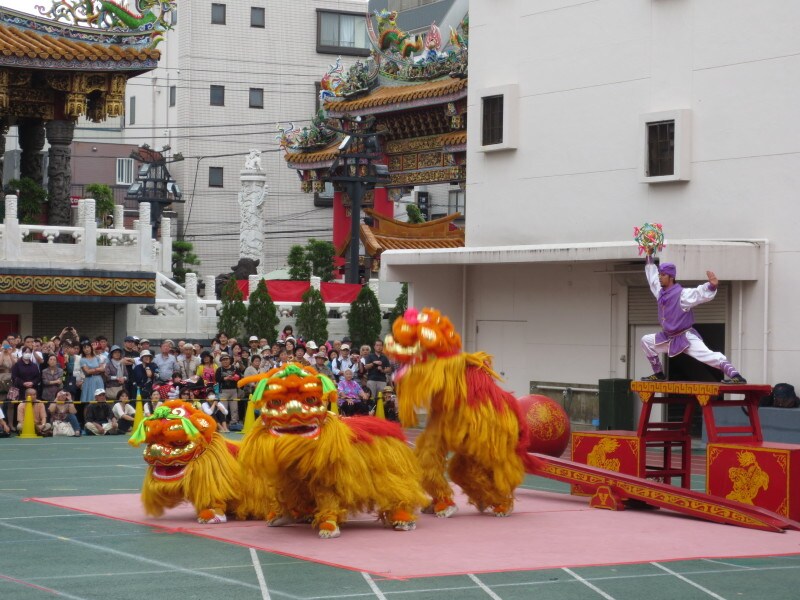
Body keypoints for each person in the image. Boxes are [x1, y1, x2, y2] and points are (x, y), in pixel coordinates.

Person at [640, 256, 746, 383]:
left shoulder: (682, 294)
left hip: (685, 336)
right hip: (668, 337)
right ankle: (659, 374)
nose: (659, 277)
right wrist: (649, 256)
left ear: (671, 277)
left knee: (708, 356)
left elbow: (698, 293)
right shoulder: (660, 292)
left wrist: (711, 286)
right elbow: (652, 279)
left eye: (663, 275)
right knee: (646, 341)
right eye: (660, 274)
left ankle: (736, 376)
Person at [215, 354, 241, 428]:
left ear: (230, 360)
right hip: (223, 390)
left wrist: (235, 378)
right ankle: (224, 423)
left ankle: (234, 422)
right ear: (221, 361)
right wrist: (225, 378)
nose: (225, 361)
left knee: (234, 408)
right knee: (223, 408)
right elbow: (217, 379)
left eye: (227, 359)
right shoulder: (219, 369)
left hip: (234, 390)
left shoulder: (235, 368)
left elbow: (240, 377)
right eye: (223, 360)